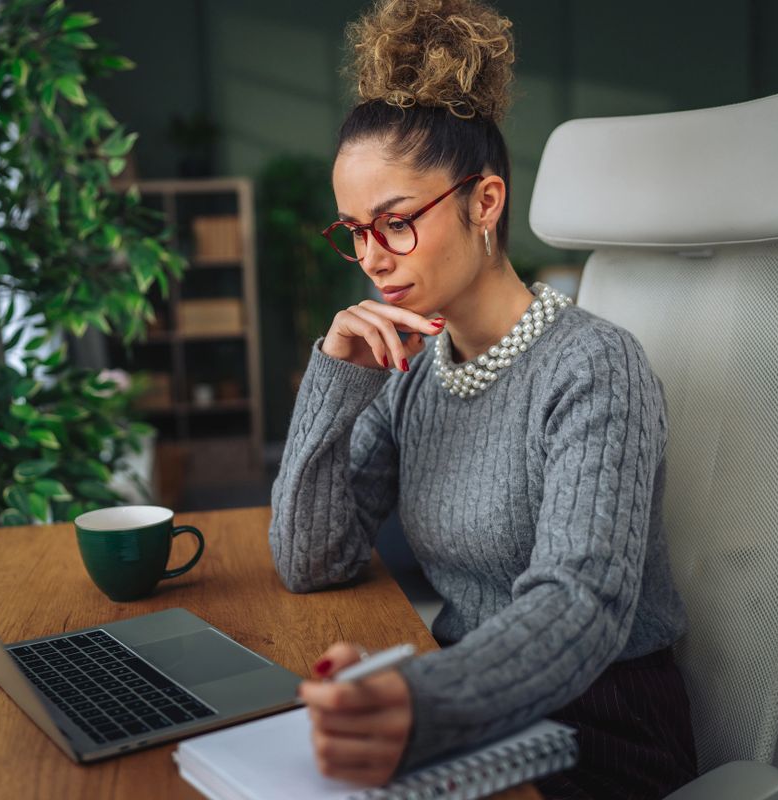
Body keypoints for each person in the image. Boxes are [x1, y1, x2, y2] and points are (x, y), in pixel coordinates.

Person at [269, 0, 697, 797]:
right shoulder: (413, 370)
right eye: (354, 232)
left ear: (485, 202)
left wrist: (423, 698)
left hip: (602, 726)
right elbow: (311, 562)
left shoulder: (595, 366)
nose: (372, 258)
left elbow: (583, 605)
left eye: (395, 223)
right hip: (457, 695)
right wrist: (337, 377)